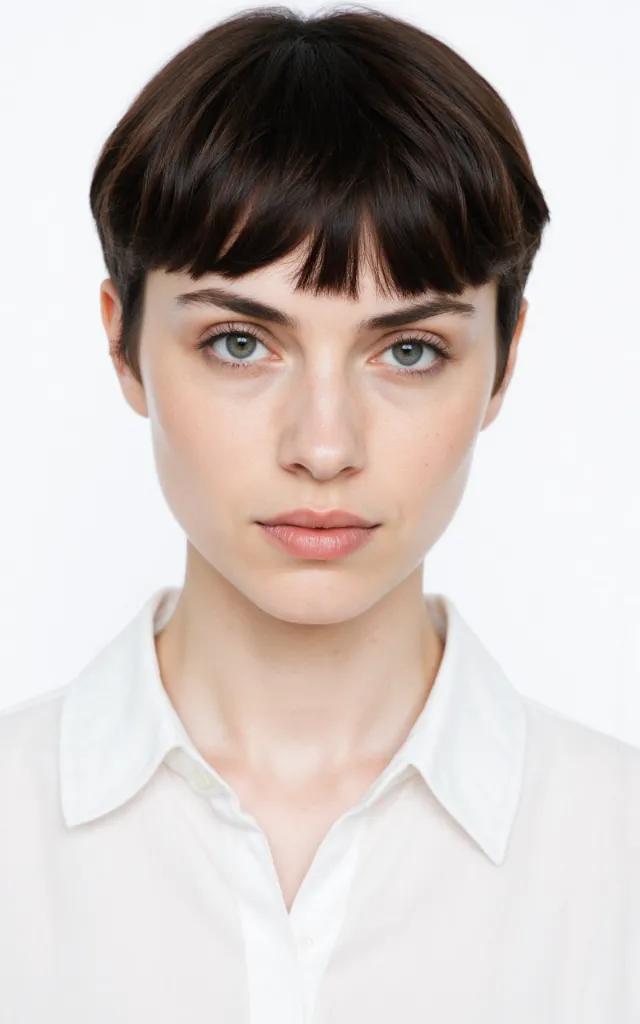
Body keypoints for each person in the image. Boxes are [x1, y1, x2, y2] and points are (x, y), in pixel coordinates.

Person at [1, 5, 638, 1022]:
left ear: (505, 362)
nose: (324, 445)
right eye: (240, 343)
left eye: (409, 349)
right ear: (123, 347)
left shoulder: (618, 859)